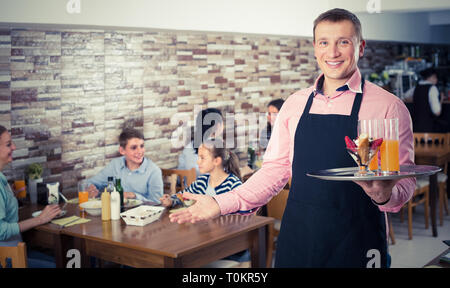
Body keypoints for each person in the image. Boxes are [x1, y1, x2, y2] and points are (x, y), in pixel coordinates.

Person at [169, 8, 415, 268]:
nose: (332, 53)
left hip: (358, 241)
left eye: (343, 42)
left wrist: (384, 196)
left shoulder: (389, 107)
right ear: (314, 48)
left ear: (360, 46)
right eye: (324, 42)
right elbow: (274, 171)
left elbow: (406, 183)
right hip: (300, 238)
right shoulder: (294, 104)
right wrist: (220, 202)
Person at [162, 137, 250, 263]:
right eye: (198, 157)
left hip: (229, 247)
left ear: (217, 161)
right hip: (206, 240)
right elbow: (184, 195)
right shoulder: (202, 181)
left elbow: (241, 219)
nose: (198, 162)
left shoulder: (232, 185)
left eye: (202, 158)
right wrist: (171, 200)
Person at [0, 125, 61, 268]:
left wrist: (10, 196)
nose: (14, 147)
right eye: (9, 144)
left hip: (15, 250)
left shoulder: (2, 178)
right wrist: (41, 219)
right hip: (6, 258)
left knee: (61, 259)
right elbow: (1, 231)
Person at [86, 128, 163, 203]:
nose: (140, 151)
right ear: (122, 151)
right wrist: (91, 189)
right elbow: (90, 183)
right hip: (116, 212)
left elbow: (157, 203)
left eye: (142, 146)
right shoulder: (115, 165)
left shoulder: (154, 171)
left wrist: (134, 196)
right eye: (134, 147)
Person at [177, 108, 224, 175]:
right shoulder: (217, 149)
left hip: (188, 185)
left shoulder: (188, 147)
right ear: (218, 126)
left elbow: (179, 176)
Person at [411, 67, 445, 132]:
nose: (437, 80)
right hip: (429, 130)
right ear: (431, 77)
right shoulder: (432, 88)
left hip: (415, 129)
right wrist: (441, 100)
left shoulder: (416, 87)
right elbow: (437, 112)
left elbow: (405, 97)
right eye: (436, 77)